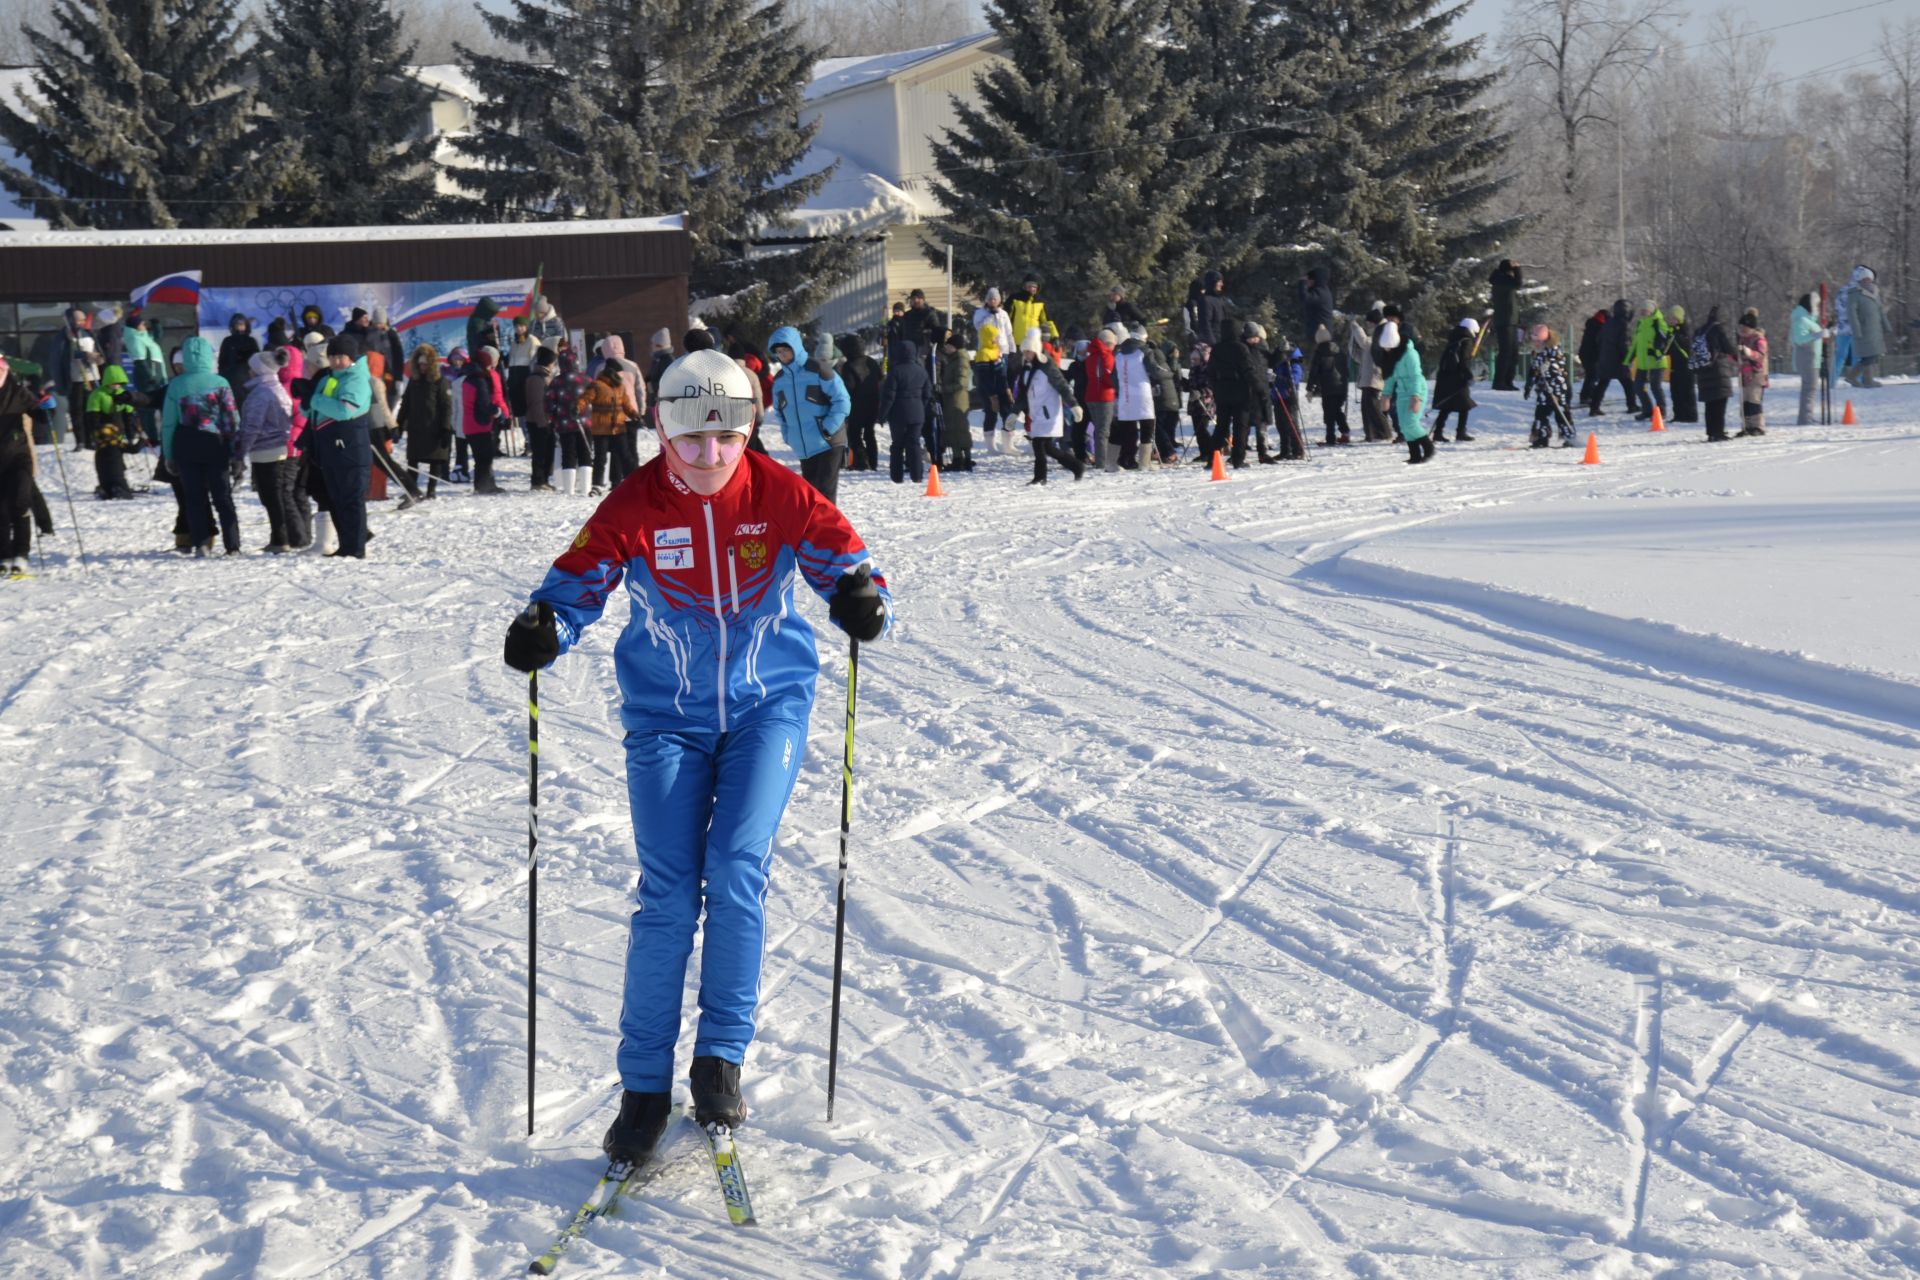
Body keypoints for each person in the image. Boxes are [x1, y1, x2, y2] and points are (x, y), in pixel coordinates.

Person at [502, 348, 891, 1163]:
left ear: (750, 428)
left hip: (766, 709)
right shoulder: (636, 503)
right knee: (670, 894)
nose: (710, 456)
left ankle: (720, 1059)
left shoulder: (782, 493)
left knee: (738, 868)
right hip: (666, 718)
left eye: (727, 436)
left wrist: (861, 597)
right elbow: (577, 582)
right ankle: (643, 1086)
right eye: (690, 438)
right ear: (662, 431)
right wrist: (547, 625)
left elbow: (848, 564)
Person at [161, 335, 243, 556]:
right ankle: (232, 544)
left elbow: (168, 424)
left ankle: (202, 543)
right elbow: (232, 419)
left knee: (194, 498)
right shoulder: (220, 383)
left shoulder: (177, 385)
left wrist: (168, 454)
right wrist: (237, 452)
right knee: (223, 497)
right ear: (209, 357)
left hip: (186, 446)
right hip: (216, 446)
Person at [767, 325, 851, 504]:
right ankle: (815, 531)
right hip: (804, 447)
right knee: (811, 494)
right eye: (779, 352)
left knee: (825, 494)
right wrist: (788, 436)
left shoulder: (819, 370)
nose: (783, 355)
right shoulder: (780, 380)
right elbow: (780, 413)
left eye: (786, 350)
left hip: (829, 442)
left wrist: (827, 428)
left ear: (795, 347)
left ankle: (829, 531)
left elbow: (842, 401)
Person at [307, 335, 375, 556]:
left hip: (351, 450)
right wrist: (306, 401)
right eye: (332, 357)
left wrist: (313, 400)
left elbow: (345, 410)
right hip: (332, 449)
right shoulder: (330, 378)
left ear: (351, 358)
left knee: (351, 500)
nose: (336, 361)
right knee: (336, 500)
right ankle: (346, 545)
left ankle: (355, 548)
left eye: (341, 357)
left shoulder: (356, 379)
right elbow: (311, 411)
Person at [1010, 328, 1083, 484]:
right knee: (1048, 448)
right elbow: (1023, 394)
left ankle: (1040, 476)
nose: (1026, 355)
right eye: (1024, 351)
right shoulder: (1026, 369)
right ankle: (1076, 466)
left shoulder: (1047, 367)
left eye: (1029, 351)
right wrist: (1014, 413)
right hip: (1036, 414)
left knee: (1038, 444)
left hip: (1049, 412)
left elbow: (1063, 386)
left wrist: (1074, 405)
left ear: (1036, 351)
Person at [238, 349, 295, 549]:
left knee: (270, 496)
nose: (248, 371)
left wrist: (240, 451)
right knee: (274, 495)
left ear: (258, 370)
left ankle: (281, 539)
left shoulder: (260, 394)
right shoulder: (277, 388)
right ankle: (279, 537)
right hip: (278, 447)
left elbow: (252, 427)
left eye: (251, 368)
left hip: (265, 450)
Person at [0, 354, 47, 576]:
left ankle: (21, 554)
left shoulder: (18, 392)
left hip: (18, 456)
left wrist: (48, 408)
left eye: (0, 370)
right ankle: (4, 556)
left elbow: (38, 412)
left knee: (19, 502)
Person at [1209, 322, 1275, 468]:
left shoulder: (1216, 349)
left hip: (1222, 394)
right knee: (1240, 427)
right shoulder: (1240, 348)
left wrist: (1215, 388)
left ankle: (1212, 459)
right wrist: (1259, 388)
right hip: (1241, 393)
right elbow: (1248, 370)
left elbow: (1210, 372)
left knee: (1221, 427)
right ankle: (1238, 459)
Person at [398, 344, 452, 502]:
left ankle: (431, 489)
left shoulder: (440, 382)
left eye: (425, 364)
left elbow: (446, 406)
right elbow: (405, 403)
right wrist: (399, 424)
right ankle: (412, 489)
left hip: (434, 427)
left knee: (435, 460)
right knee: (413, 460)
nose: (422, 367)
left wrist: (445, 428)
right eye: (420, 364)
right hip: (416, 427)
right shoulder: (413, 382)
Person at [877, 337, 933, 485]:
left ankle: (897, 476)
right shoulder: (921, 371)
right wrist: (921, 406)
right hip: (917, 413)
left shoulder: (895, 372)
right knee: (914, 444)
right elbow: (927, 394)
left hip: (898, 414)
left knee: (897, 445)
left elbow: (889, 397)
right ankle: (917, 475)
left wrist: (882, 415)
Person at [580, 358, 638, 496]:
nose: (620, 375)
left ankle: (633, 480)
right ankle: (597, 485)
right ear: (611, 372)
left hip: (618, 427)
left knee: (624, 455)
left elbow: (626, 404)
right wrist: (577, 407)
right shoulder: (596, 385)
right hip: (601, 428)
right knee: (601, 458)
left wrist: (634, 414)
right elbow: (584, 399)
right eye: (618, 372)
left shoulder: (620, 386)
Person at [84, 365, 142, 500]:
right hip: (103, 435)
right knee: (105, 461)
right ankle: (109, 485)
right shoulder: (98, 394)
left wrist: (130, 435)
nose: (116, 385)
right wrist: (96, 434)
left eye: (119, 383)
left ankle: (117, 484)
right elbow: (93, 416)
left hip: (118, 433)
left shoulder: (123, 395)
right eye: (113, 382)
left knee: (117, 460)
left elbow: (128, 417)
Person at [1379, 320, 1432, 464]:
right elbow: (1390, 377)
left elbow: (1415, 376)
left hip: (1416, 390)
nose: (1386, 349)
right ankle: (1414, 455)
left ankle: (1428, 448)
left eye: (1388, 346)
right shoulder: (1391, 356)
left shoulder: (1410, 354)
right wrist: (1386, 395)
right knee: (1403, 425)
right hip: (1402, 391)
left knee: (1411, 423)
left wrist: (1416, 397)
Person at [461, 347, 511, 495]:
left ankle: (481, 484)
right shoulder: (480, 381)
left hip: (468, 423)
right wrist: (497, 411)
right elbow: (484, 404)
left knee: (479, 457)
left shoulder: (467, 378)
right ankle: (485, 485)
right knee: (485, 457)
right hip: (480, 424)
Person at [545, 348, 594, 496]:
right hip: (586, 422)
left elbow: (549, 404)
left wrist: (553, 419)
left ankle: (569, 490)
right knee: (585, 453)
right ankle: (586, 489)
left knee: (568, 454)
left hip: (565, 424)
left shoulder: (556, 382)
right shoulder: (587, 379)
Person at [971, 289, 1014, 452]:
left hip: (1002, 352)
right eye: (991, 299)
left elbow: (1008, 332)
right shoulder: (981, 313)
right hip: (988, 350)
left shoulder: (1003, 314)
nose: (993, 302)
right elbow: (980, 327)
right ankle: (991, 445)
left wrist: (1011, 349)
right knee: (991, 410)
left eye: (996, 299)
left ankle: (1008, 443)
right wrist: (990, 314)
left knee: (1007, 408)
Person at [835, 334, 882, 472]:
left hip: (856, 405)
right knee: (870, 434)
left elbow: (849, 387)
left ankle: (862, 461)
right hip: (873, 403)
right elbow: (880, 379)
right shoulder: (871, 362)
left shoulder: (849, 366)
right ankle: (873, 462)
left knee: (854, 435)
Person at [1112, 325, 1155, 470]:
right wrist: (1168, 375)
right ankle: (1144, 462)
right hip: (1143, 394)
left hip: (1126, 395)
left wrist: (1120, 390)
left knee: (1128, 430)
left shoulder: (1118, 354)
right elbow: (1155, 371)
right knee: (1147, 427)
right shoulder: (1144, 351)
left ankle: (1125, 459)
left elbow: (1113, 377)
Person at [1430, 318, 1478, 443]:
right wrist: (1469, 376)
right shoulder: (1466, 341)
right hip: (1458, 378)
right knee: (1465, 405)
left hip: (1445, 377)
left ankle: (1438, 432)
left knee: (1446, 406)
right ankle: (1460, 432)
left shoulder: (1454, 339)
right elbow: (1464, 361)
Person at [1524, 324, 1573, 448]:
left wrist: (1549, 367)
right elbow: (1534, 369)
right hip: (1543, 390)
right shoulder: (1537, 353)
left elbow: (1560, 367)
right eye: (1534, 341)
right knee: (1540, 414)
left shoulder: (1554, 351)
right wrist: (1529, 384)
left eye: (1538, 341)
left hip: (1557, 390)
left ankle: (1569, 437)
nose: (1536, 344)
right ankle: (1541, 437)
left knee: (1561, 413)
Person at [1694, 306, 1738, 442]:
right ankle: (1718, 432)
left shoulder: (1699, 330)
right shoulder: (1718, 329)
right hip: (1718, 370)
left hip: (1703, 371)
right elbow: (1727, 347)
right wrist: (1736, 356)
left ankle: (1711, 432)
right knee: (1720, 402)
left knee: (1710, 403)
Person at [1141, 326, 1182, 463]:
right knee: (1166, 428)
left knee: (1159, 428)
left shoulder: (1154, 359)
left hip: (1162, 399)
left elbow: (1158, 374)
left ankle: (1168, 452)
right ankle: (1162, 451)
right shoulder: (1164, 361)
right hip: (1171, 400)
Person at [1789, 293, 1830, 426]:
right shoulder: (1801, 320)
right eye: (1816, 305)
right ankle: (1805, 418)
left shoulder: (1808, 320)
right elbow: (1799, 340)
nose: (1818, 308)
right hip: (1807, 359)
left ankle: (1807, 416)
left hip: (1813, 358)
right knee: (1809, 389)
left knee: (1810, 389)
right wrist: (1817, 335)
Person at [1082, 327, 1119, 471]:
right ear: (1108, 343)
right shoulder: (1107, 356)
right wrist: (1117, 386)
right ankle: (1102, 463)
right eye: (1113, 343)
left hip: (1091, 395)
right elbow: (1108, 378)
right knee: (1103, 431)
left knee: (1098, 430)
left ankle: (1100, 460)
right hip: (1104, 396)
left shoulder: (1091, 356)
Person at [1307, 324, 1349, 446]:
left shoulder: (1319, 352)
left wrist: (1310, 389)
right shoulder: (1339, 350)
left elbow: (1314, 372)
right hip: (1341, 386)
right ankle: (1345, 432)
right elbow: (1345, 370)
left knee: (1329, 412)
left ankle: (1330, 437)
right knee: (1336, 410)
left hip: (1328, 387)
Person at [1350, 309, 1389, 442]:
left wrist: (1357, 329)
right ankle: (1370, 434)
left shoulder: (1380, 336)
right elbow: (1364, 356)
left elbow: (1366, 344)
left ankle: (1384, 432)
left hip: (1374, 378)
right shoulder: (1374, 336)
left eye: (1369, 324)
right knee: (1366, 409)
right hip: (1367, 377)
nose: (1368, 327)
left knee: (1373, 408)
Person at [1847, 269, 1889, 388]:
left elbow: (1880, 311)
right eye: (1865, 279)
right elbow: (1852, 314)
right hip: (1864, 330)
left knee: (1873, 355)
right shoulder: (1854, 294)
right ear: (1860, 280)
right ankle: (1852, 376)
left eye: (1869, 279)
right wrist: (1857, 330)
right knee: (1869, 356)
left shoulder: (1875, 293)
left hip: (1875, 329)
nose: (1867, 281)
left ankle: (1868, 380)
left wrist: (1886, 325)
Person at [937, 332, 973, 471]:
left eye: (949, 345)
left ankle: (963, 460)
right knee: (954, 430)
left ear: (955, 347)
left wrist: (943, 389)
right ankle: (959, 458)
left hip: (957, 400)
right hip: (953, 400)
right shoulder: (954, 358)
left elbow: (961, 382)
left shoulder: (960, 360)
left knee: (959, 430)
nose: (946, 348)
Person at [525, 347, 557, 490]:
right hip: (538, 421)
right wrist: (542, 422)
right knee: (540, 451)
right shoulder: (537, 379)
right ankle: (538, 480)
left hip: (544, 420)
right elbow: (537, 403)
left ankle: (543, 479)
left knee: (547, 450)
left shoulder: (543, 376)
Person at [1488, 259, 1523, 390]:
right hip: (1505, 321)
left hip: (1511, 321)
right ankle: (1500, 381)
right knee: (1506, 351)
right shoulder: (1501, 280)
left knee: (1513, 352)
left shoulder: (1502, 279)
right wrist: (1517, 269)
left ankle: (1508, 380)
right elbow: (1518, 283)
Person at [1735, 308, 1769, 437]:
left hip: (1756, 375)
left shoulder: (1758, 340)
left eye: (1745, 328)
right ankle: (1747, 425)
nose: (1743, 330)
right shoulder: (1742, 339)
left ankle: (1757, 426)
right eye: (1741, 327)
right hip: (1744, 374)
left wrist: (1748, 352)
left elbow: (1761, 355)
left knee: (1754, 400)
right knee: (1745, 401)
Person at [1832, 265, 1867, 380]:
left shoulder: (1842, 290)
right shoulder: (1861, 291)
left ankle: (1832, 381)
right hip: (1857, 328)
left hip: (1843, 327)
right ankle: (1858, 380)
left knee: (1839, 356)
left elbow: (1837, 307)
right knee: (1857, 356)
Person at [1665, 306, 1697, 424]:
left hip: (1686, 366)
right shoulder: (1670, 331)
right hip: (1674, 365)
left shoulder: (1684, 330)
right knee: (1675, 391)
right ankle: (1678, 414)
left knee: (1687, 391)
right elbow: (1667, 349)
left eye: (1674, 318)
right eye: (1670, 318)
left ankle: (1690, 415)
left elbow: (1686, 346)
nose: (1671, 321)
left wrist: (1675, 336)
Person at [1576, 308, 1609, 415]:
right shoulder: (1599, 327)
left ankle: (1588, 395)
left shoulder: (1591, 324)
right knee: (1592, 376)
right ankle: (1586, 396)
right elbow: (1598, 343)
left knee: (1590, 375)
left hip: (1584, 354)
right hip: (1591, 355)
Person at [1008, 278, 1057, 350]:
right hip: (1016, 342)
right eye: (1029, 286)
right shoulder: (1015, 299)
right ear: (1024, 286)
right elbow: (1006, 318)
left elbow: (1048, 321)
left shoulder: (1040, 302)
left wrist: (1055, 337)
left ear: (1037, 288)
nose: (1031, 288)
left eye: (1034, 286)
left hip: (1033, 342)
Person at [1189, 271, 1232, 349]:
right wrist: (1213, 343)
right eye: (1219, 282)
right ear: (1213, 283)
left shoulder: (1221, 299)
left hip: (1224, 340)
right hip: (1214, 343)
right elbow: (1205, 323)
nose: (1222, 284)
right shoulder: (1205, 300)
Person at [1296, 266, 1334, 347]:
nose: (1307, 283)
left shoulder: (1321, 293)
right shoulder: (1319, 291)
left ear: (1315, 280)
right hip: (1316, 334)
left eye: (1309, 280)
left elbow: (1304, 298)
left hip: (1320, 335)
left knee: (1309, 357)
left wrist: (1302, 282)